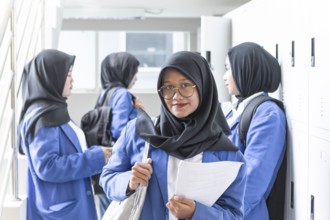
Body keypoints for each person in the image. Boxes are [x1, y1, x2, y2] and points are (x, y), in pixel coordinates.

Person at [100, 51, 247, 219]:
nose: (176, 96)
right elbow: (108, 177)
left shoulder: (227, 154)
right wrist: (130, 182)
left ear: (203, 87)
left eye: (185, 85)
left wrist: (196, 213)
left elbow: (234, 215)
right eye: (168, 87)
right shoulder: (140, 132)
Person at [17, 49, 112, 220]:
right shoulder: (44, 117)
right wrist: (96, 157)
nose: (72, 80)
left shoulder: (52, 111)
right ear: (51, 77)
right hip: (61, 212)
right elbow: (48, 166)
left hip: (69, 205)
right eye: (68, 75)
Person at [223, 42, 287, 220]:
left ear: (246, 69)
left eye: (229, 69)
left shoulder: (268, 114)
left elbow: (252, 183)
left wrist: (219, 215)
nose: (224, 77)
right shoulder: (238, 108)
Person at [95, 52, 144, 217]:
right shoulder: (123, 94)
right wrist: (139, 112)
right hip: (121, 166)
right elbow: (120, 129)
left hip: (104, 165)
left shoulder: (105, 93)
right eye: (133, 72)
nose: (135, 78)